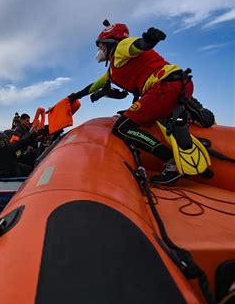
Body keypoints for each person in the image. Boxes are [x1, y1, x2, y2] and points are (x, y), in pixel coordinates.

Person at [67, 21, 195, 184]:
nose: (101, 50)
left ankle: (171, 162)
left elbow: (136, 45)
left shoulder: (121, 47)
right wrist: (75, 96)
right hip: (181, 84)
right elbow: (95, 85)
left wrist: (148, 41)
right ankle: (190, 110)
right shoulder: (114, 67)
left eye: (102, 46)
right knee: (144, 116)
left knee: (122, 127)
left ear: (110, 43)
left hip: (165, 88)